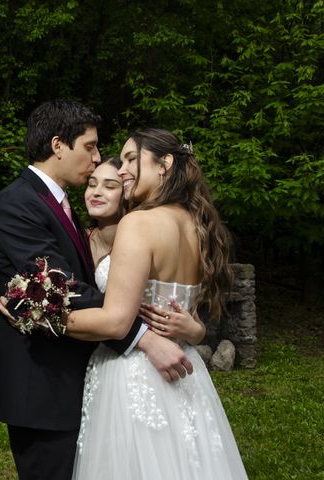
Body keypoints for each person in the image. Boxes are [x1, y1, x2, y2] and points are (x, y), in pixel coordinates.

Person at [0, 101, 193, 480]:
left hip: (72, 380)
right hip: (41, 389)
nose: (98, 159)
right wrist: (144, 336)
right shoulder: (17, 205)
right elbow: (66, 292)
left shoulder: (61, 204)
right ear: (59, 145)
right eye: (90, 147)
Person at [68, 128, 248, 479]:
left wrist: (46, 314)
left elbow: (116, 322)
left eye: (132, 159)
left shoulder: (138, 223)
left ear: (165, 164)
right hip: (186, 372)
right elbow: (192, 319)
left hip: (133, 373)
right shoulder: (197, 225)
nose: (122, 170)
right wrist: (195, 330)